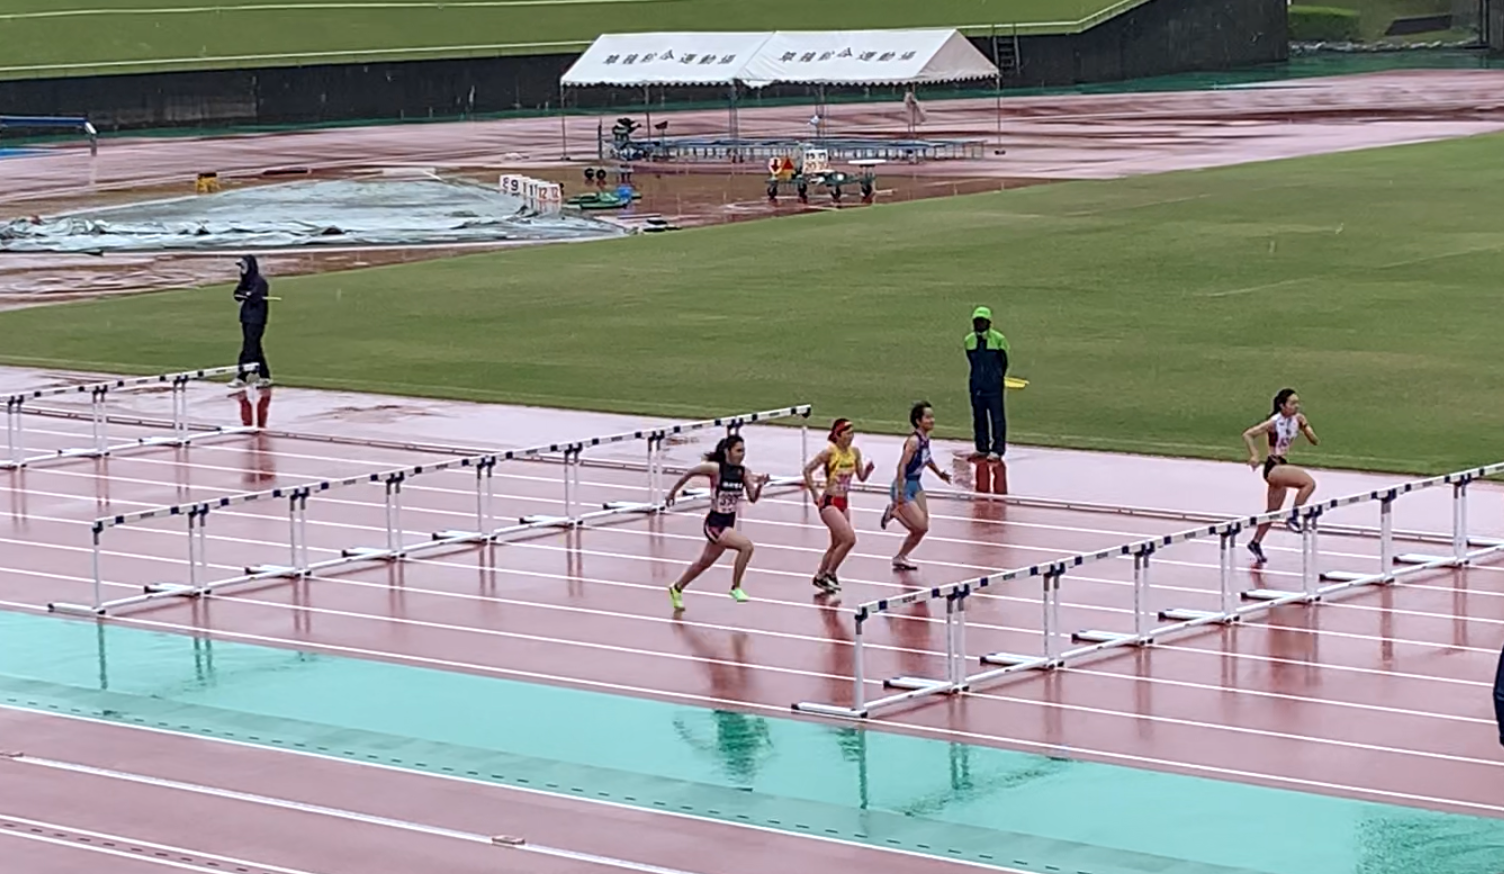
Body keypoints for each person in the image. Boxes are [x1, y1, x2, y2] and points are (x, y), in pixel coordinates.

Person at [664, 434, 768, 610]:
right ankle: (735, 587)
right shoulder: (715, 469)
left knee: (704, 563)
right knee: (746, 547)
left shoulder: (743, 472)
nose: (742, 454)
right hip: (715, 524)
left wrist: (760, 486)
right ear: (727, 451)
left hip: (728, 523)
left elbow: (752, 498)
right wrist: (673, 492)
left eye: (744, 451)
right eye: (738, 450)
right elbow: (690, 473)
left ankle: (677, 587)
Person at [1241, 388, 1320, 564]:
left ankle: (1255, 542)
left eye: (1297, 403)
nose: (1296, 406)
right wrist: (1254, 455)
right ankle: (1293, 517)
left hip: (1281, 465)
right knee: (1308, 483)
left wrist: (1305, 427)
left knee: (1273, 512)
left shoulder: (1297, 419)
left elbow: (1315, 441)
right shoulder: (1274, 422)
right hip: (1273, 466)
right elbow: (1248, 434)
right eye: (1292, 403)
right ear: (1282, 405)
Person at [802, 418, 875, 593]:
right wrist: (814, 493)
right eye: (848, 432)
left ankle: (820, 577)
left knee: (836, 545)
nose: (851, 436)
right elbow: (807, 470)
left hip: (844, 503)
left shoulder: (854, 452)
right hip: (829, 502)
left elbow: (861, 476)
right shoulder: (829, 452)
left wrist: (869, 470)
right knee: (849, 539)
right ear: (838, 434)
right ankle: (830, 573)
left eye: (853, 432)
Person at [880, 402, 953, 570]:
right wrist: (899, 491)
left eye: (932, 417)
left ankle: (901, 557)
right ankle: (894, 511)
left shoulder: (925, 440)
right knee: (920, 525)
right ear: (918, 421)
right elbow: (901, 466)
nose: (932, 420)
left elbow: (927, 459)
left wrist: (939, 473)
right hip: (905, 485)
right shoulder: (913, 441)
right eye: (928, 417)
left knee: (922, 528)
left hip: (916, 485)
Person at [965, 305, 1010, 461]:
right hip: (976, 384)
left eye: (982, 321)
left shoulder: (998, 339)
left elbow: (1004, 362)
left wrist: (996, 378)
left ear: (989, 322)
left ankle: (998, 448)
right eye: (977, 321)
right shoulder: (969, 340)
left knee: (997, 417)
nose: (979, 324)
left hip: (994, 386)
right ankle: (982, 447)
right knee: (978, 416)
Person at [229, 254, 272, 389]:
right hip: (246, 317)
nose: (242, 270)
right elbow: (237, 294)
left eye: (243, 266)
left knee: (249, 347)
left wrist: (248, 295)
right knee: (255, 346)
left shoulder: (260, 282)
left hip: (257, 319)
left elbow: (254, 296)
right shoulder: (245, 281)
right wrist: (245, 294)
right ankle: (265, 376)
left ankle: (242, 376)